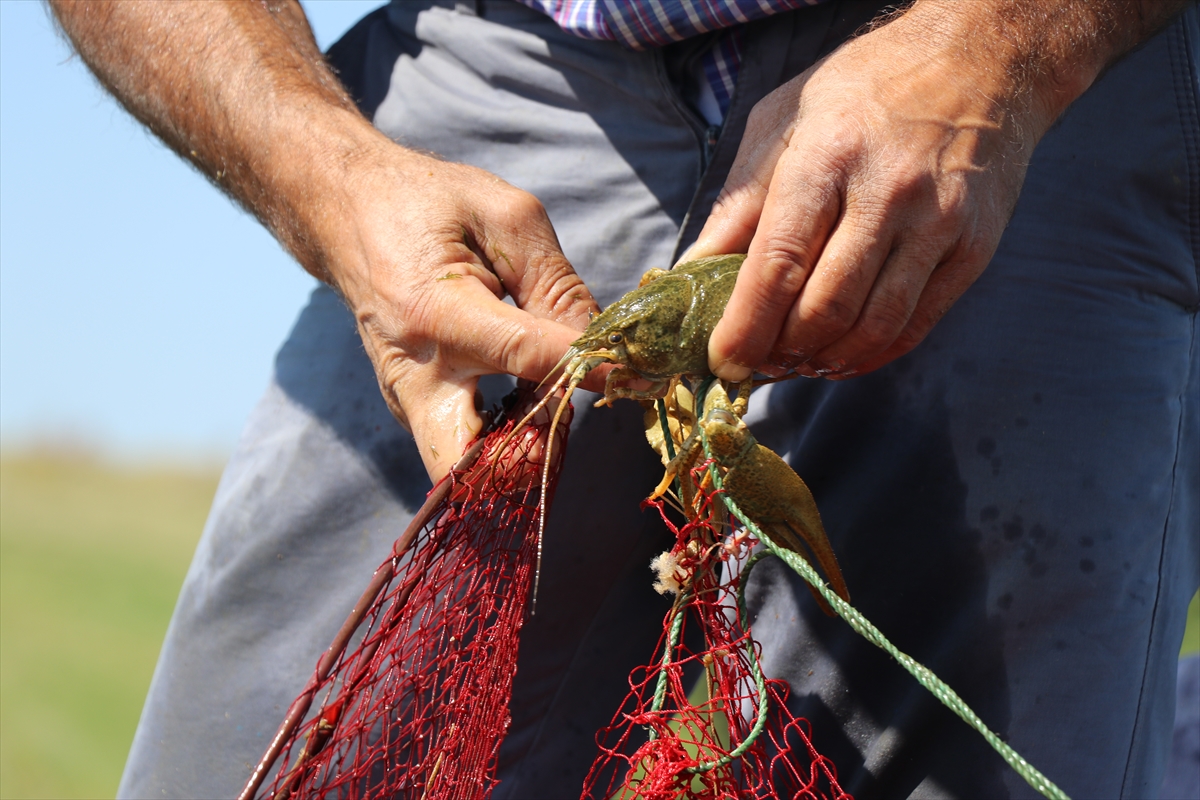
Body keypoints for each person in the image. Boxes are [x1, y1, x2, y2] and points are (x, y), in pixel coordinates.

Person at [50, 1, 1198, 797]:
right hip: (511, 56)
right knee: (285, 741)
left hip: (1031, 81)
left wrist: (996, 46)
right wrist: (324, 171)